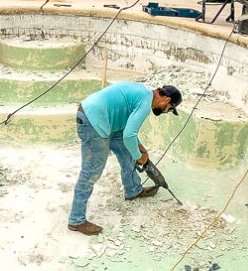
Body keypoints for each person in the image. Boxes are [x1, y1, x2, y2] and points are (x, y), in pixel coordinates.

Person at [68, 81, 182, 235]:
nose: (167, 112)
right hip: (93, 120)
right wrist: (139, 156)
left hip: (107, 119)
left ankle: (133, 190)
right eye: (170, 109)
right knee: (91, 171)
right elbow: (129, 135)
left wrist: (138, 147)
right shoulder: (145, 103)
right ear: (167, 100)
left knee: (127, 152)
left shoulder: (143, 92)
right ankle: (76, 220)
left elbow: (127, 129)